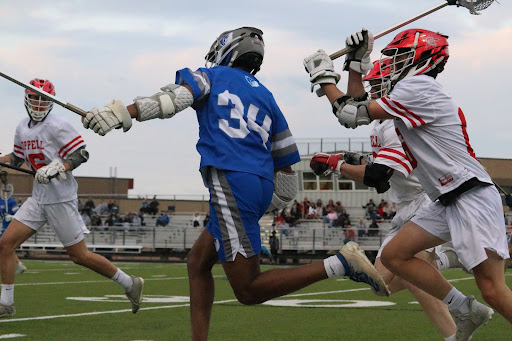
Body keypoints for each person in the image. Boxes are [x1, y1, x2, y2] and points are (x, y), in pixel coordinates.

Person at [81, 26, 389, 340]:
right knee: (197, 262)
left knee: (247, 289)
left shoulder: (209, 75)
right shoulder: (265, 95)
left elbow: (171, 100)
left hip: (231, 180)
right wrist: (262, 201)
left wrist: (122, 113)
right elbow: (287, 164)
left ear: (226, 49)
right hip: (258, 184)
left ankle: (340, 263)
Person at [305, 27, 511, 339]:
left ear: (423, 59)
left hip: (469, 196)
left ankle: (454, 267)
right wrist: (357, 64)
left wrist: (324, 79)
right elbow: (360, 103)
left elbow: (351, 112)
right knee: (394, 256)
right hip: (448, 198)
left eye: (399, 57)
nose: (392, 64)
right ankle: (465, 308)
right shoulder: (411, 93)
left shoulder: (418, 87)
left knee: (493, 290)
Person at [0, 79, 143, 318]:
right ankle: (6, 303)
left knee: (79, 256)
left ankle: (130, 283)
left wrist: (59, 166)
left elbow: (81, 154)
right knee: (5, 244)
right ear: (27, 99)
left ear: (51, 101)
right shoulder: (22, 127)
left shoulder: (58, 125)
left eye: (43, 98)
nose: (38, 102)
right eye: (34, 97)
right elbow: (16, 159)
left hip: (60, 198)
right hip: (38, 198)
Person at [0, 173, 26, 274]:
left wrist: (11, 217)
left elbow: (19, 215)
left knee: (5, 247)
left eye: (7, 191)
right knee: (7, 248)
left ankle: (18, 264)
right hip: (2, 227)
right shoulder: (1, 201)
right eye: (4, 191)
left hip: (10, 227)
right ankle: (19, 264)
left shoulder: (12, 202)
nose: (5, 193)